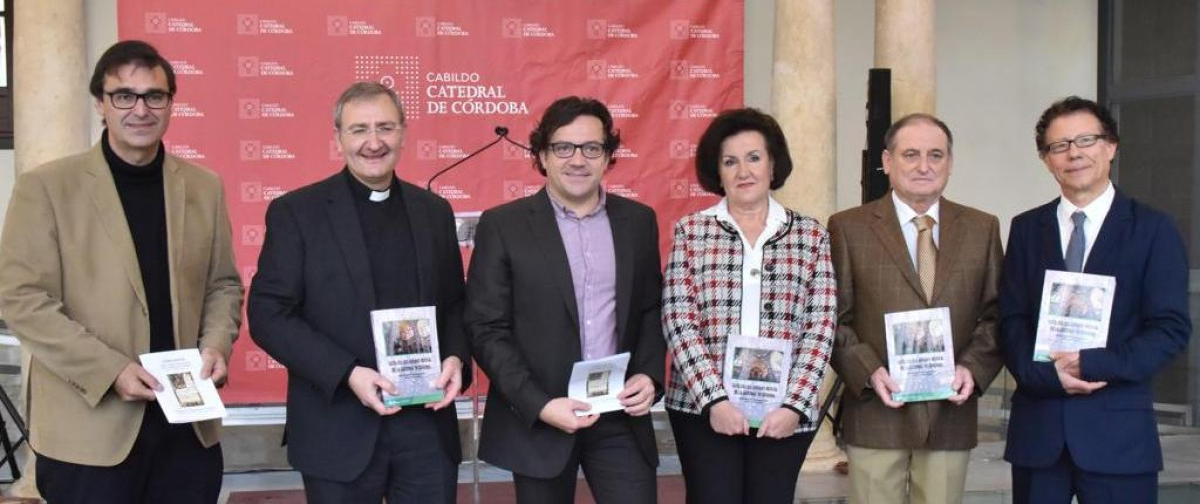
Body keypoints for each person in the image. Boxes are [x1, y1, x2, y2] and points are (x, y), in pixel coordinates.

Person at [0, 40, 243, 503]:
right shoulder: (46, 188)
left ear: (171, 103)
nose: (140, 109)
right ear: (101, 104)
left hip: (186, 428)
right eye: (124, 96)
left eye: (155, 96)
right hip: (89, 432)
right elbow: (23, 300)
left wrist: (215, 344)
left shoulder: (203, 187)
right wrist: (111, 371)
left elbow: (223, 285)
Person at [248, 82, 470, 503]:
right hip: (337, 428)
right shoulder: (297, 213)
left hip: (425, 430)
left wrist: (456, 356)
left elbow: (455, 304)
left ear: (403, 133)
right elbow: (268, 315)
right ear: (337, 138)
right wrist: (347, 372)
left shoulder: (433, 211)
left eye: (385, 127)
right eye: (359, 130)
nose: (373, 142)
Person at [466, 96, 665, 503]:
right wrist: (538, 405)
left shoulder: (638, 221)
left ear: (608, 156)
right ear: (542, 154)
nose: (578, 160)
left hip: (619, 414)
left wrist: (649, 375)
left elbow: (649, 310)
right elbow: (486, 328)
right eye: (563, 148)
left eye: (592, 148)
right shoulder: (504, 225)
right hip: (543, 415)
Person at [999, 96, 1191, 503]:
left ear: (1111, 147)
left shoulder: (1153, 229)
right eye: (1059, 146)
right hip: (1039, 432)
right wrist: (1046, 376)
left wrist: (1092, 362)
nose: (1074, 153)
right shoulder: (1026, 229)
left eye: (1086, 140)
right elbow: (1011, 319)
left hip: (1118, 436)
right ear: (1046, 160)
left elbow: (1169, 329)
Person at [828, 113, 1004, 504]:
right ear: (888, 162)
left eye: (936, 155)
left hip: (950, 413)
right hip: (877, 412)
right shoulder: (848, 227)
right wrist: (869, 370)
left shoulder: (982, 227)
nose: (924, 166)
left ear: (950, 163)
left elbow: (996, 315)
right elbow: (833, 319)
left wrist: (972, 369)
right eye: (911, 154)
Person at [662, 107, 835, 503]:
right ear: (717, 172)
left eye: (754, 157)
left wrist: (793, 403)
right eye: (730, 161)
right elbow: (679, 321)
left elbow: (821, 326)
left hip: (785, 412)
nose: (744, 171)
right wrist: (714, 401)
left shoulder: (811, 235)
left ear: (773, 165)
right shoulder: (692, 232)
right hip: (701, 409)